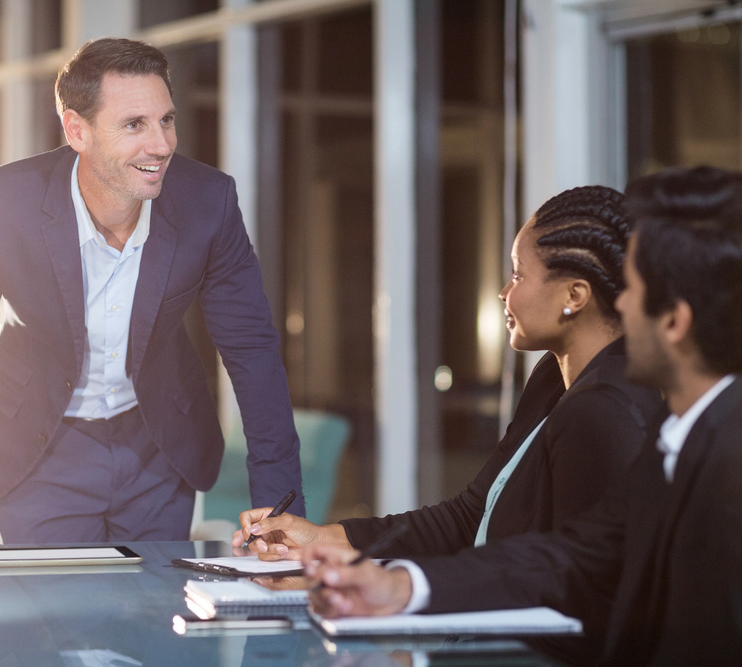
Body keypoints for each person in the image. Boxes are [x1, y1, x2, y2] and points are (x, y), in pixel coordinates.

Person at [0, 37, 304, 557]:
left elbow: (252, 351)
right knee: (53, 623)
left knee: (153, 621)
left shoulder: (208, 202)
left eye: (166, 120)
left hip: (158, 445)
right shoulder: (3, 204)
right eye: (133, 125)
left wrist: (283, 514)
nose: (162, 144)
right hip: (41, 444)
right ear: (77, 130)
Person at [303, 165, 742, 666]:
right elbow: (571, 557)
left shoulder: (726, 460)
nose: (617, 301)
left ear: (674, 321)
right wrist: (399, 586)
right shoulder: (679, 435)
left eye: (631, 289)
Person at [235, 186, 662, 564]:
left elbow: (572, 580)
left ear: (575, 295)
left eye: (517, 274)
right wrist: (323, 540)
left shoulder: (606, 412)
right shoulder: (554, 379)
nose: (503, 292)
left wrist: (396, 593)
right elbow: (470, 515)